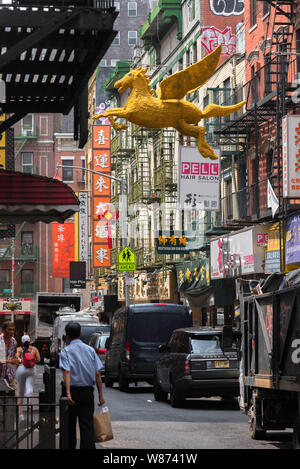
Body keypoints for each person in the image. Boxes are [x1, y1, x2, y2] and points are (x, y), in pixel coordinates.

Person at [59, 321, 105, 449]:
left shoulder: (66, 351)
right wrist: (101, 396)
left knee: (70, 426)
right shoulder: (90, 350)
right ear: (80, 333)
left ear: (66, 335)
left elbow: (66, 371)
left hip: (72, 392)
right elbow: (97, 373)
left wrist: (68, 393)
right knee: (87, 426)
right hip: (87, 392)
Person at [15, 335, 40, 420]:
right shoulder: (34, 349)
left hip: (21, 369)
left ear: (22, 341)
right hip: (31, 369)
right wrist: (32, 361)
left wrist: (21, 360)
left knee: (20, 390)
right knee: (30, 387)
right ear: (30, 341)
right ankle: (29, 403)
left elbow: (16, 357)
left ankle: (21, 413)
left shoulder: (19, 349)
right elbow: (39, 359)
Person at [0, 321, 18, 393]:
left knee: (16, 397)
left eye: (13, 329)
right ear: (3, 330)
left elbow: (13, 355)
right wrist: (10, 361)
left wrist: (18, 359)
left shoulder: (14, 342)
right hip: (0, 375)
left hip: (10, 375)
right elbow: (10, 360)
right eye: (10, 329)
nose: (12, 332)